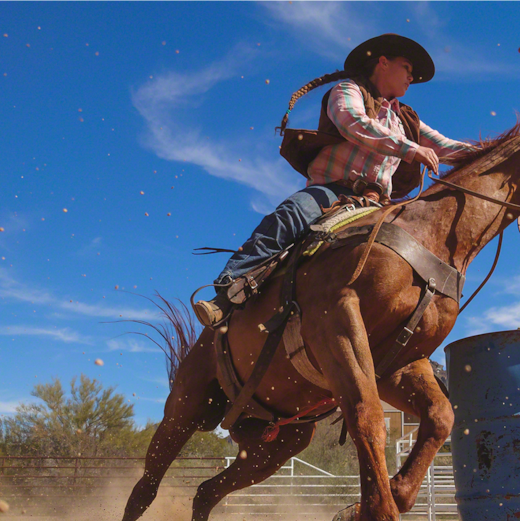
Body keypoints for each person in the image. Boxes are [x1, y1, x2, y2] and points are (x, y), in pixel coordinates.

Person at [193, 33, 476, 326]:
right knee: (291, 214)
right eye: (407, 67)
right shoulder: (348, 90)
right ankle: (228, 290)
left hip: (380, 204)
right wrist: (411, 148)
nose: (411, 76)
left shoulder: (405, 120)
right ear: (382, 62)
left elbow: (446, 146)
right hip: (333, 192)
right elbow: (352, 122)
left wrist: (496, 152)